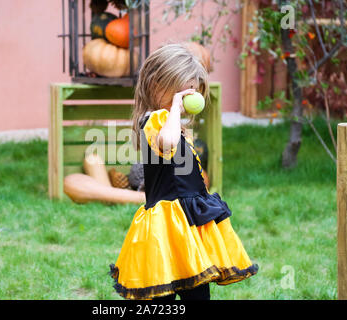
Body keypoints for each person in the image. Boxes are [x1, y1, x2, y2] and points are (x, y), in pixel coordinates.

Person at [109, 42, 258, 300]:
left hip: (188, 224)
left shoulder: (175, 127)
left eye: (191, 92)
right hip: (166, 226)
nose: (188, 98)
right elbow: (166, 144)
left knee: (198, 291)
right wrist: (175, 111)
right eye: (182, 92)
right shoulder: (154, 120)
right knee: (162, 291)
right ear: (157, 85)